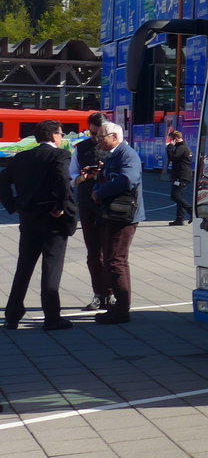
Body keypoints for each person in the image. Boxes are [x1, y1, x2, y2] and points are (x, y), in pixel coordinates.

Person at [1, 120, 77, 331]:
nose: (62, 138)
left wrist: (13, 205)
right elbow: (63, 179)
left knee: (24, 267)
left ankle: (12, 316)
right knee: (51, 267)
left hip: (29, 217)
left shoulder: (22, 157)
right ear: (54, 136)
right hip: (53, 217)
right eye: (61, 134)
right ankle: (52, 317)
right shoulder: (59, 155)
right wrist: (61, 205)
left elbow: (2, 180)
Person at [81, 121, 143, 325]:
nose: (98, 141)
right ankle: (119, 307)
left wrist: (100, 192)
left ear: (115, 137)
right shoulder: (115, 154)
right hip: (113, 214)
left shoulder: (127, 154)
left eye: (102, 137)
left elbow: (128, 179)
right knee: (112, 260)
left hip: (122, 215)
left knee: (116, 261)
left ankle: (122, 310)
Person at [69, 111, 112, 311]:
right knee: (94, 252)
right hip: (87, 204)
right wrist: (83, 177)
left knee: (112, 252)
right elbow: (72, 178)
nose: (97, 138)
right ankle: (99, 293)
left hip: (111, 205)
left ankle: (111, 293)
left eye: (100, 134)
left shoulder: (118, 147)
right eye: (94, 134)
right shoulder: (81, 148)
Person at [165, 130, 193, 225]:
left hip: (181, 176)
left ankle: (191, 210)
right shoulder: (183, 147)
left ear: (175, 139)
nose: (170, 142)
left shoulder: (182, 148)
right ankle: (179, 219)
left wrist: (169, 147)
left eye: (171, 140)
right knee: (179, 197)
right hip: (182, 175)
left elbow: (172, 157)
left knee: (175, 196)